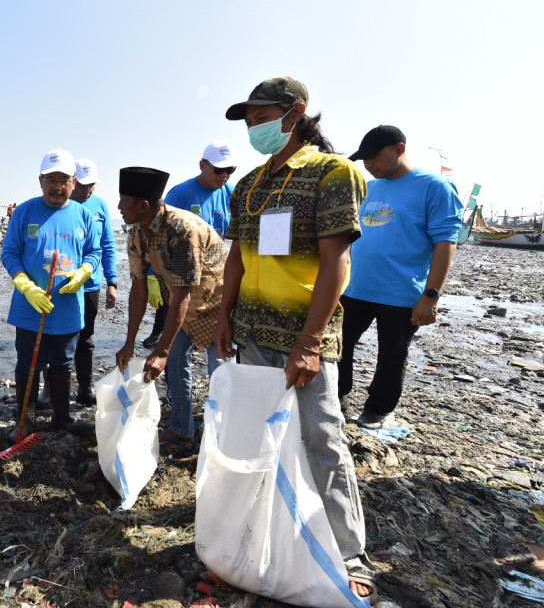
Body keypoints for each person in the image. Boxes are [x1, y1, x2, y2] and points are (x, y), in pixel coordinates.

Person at [214, 77, 375, 600]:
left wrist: (310, 342)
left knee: (320, 437)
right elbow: (237, 256)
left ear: (295, 113)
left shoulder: (333, 173)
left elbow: (337, 261)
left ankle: (348, 549)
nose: (253, 128)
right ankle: (271, 528)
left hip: (304, 335)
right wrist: (224, 315)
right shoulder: (250, 184)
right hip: (253, 332)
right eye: (249, 121)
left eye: (261, 117)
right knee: (259, 434)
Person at [338, 126, 463, 429]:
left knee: (391, 355)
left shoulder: (435, 187)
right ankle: (335, 399)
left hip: (401, 291)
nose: (369, 164)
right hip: (355, 287)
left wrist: (431, 296)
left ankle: (379, 409)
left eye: (374, 157)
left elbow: (445, 242)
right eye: (364, 159)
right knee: (338, 344)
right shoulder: (369, 188)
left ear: (398, 148)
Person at [115, 167, 228, 446]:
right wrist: (129, 343)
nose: (118, 207)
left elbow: (181, 295)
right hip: (186, 308)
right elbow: (138, 289)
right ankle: (182, 429)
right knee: (175, 361)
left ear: (142, 206)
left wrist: (160, 351)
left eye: (123, 200)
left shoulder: (182, 229)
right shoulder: (136, 233)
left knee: (222, 372)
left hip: (221, 306)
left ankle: (225, 437)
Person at [1, 149, 101, 440]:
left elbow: (94, 251)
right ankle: (25, 420)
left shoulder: (83, 214)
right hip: (30, 307)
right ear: (40, 181)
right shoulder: (24, 212)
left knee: (62, 363)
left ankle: (63, 419)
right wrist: (27, 287)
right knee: (27, 363)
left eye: (64, 180)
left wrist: (84, 272)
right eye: (50, 179)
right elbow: (10, 254)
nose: (57, 186)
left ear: (74, 182)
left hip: (68, 307)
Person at [36, 157, 117, 408]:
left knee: (85, 338)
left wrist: (111, 281)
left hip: (89, 285)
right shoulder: (52, 206)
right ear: (73, 182)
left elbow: (106, 246)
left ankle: (85, 387)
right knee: (52, 337)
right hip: (58, 286)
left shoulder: (99, 206)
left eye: (92, 185)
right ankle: (50, 389)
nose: (88, 190)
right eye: (83, 184)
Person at [156, 139, 239, 371]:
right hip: (183, 278)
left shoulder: (232, 194)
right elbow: (160, 236)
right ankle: (176, 395)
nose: (224, 175)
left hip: (215, 281)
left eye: (230, 170)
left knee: (221, 348)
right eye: (218, 169)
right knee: (177, 346)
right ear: (202, 164)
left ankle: (221, 400)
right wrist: (155, 275)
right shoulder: (181, 194)